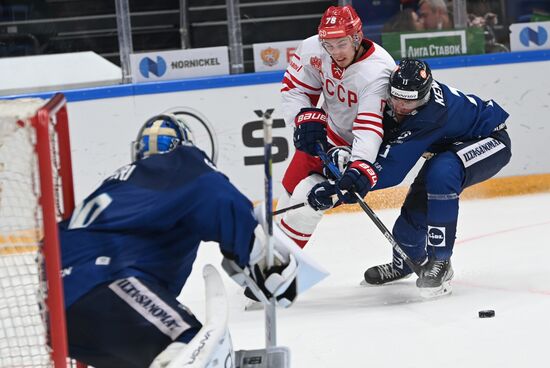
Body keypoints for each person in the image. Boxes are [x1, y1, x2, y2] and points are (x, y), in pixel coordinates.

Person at [59, 114, 301, 368]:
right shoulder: (181, 163)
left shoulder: (122, 186)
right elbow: (215, 193)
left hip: (62, 314)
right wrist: (258, 254)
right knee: (195, 350)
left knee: (167, 351)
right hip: (104, 282)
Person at [307, 58, 511, 298]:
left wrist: (338, 190)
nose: (401, 105)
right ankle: (403, 262)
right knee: (406, 231)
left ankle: (441, 262)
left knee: (442, 172)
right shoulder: (387, 96)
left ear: (424, 95)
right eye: (397, 97)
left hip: (489, 140)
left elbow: (392, 168)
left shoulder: (432, 114)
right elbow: (374, 143)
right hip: (447, 147)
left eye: (410, 100)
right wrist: (345, 160)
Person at [277, 4, 396, 248]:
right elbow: (295, 88)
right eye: (329, 45)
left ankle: (278, 271)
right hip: (326, 137)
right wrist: (304, 117)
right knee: (287, 197)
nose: (335, 52)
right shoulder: (313, 48)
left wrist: (358, 164)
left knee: (305, 203)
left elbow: (369, 127)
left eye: (341, 44)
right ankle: (264, 265)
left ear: (356, 37)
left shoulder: (377, 70)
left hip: (353, 152)